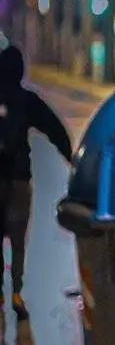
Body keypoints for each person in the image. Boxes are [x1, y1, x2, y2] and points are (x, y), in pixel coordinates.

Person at [0, 45, 73, 321]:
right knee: (18, 241)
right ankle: (16, 294)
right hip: (19, 181)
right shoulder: (26, 100)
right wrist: (73, 160)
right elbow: (54, 129)